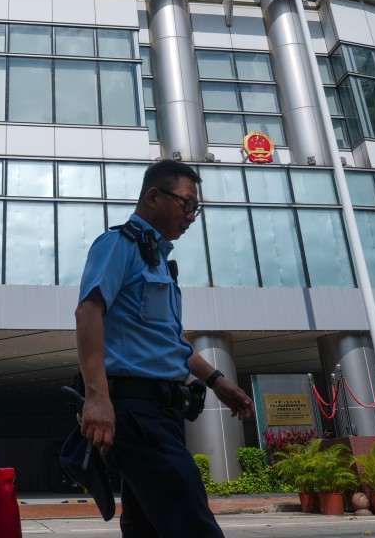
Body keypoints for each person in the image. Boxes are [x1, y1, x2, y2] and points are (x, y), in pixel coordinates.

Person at [75, 159, 256, 537]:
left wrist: (218, 381)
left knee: (148, 526)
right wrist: (97, 398)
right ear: (154, 196)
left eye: (196, 208)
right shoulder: (117, 245)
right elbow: (88, 312)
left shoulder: (157, 261)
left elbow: (172, 343)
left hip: (163, 413)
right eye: (186, 203)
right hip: (135, 411)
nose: (192, 216)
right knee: (190, 517)